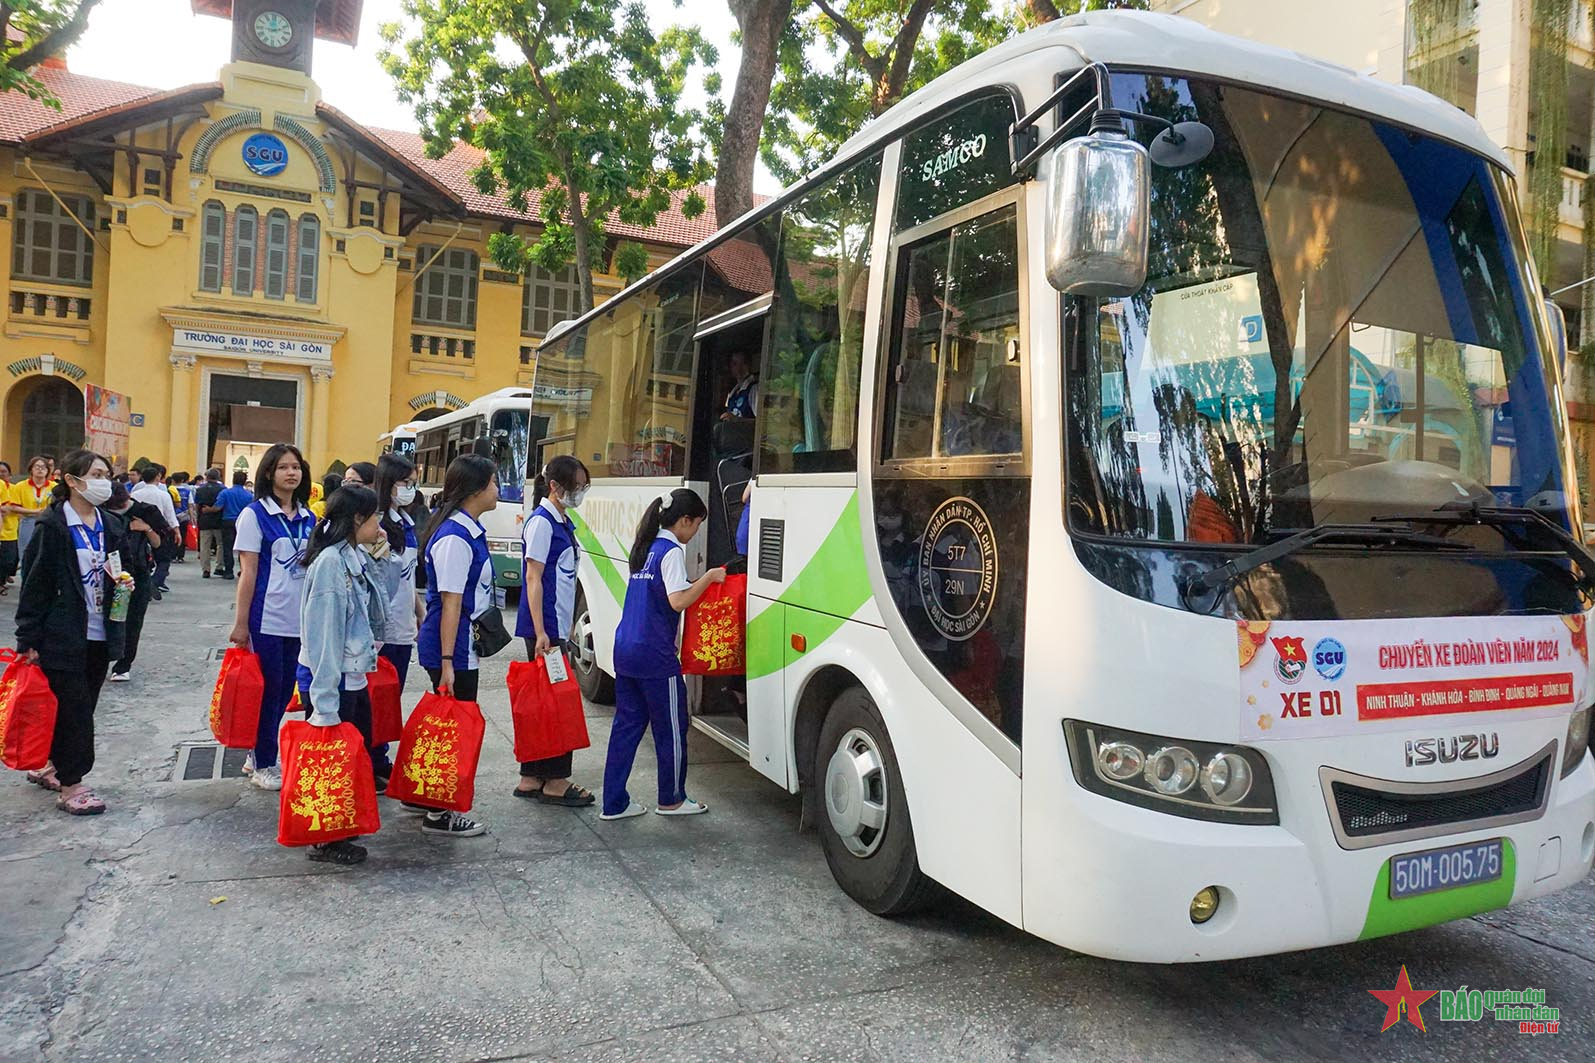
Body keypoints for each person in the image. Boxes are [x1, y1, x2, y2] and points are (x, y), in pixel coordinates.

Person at [13, 449, 134, 815]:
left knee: (82, 705)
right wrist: (28, 637)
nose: (103, 482)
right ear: (71, 480)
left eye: (106, 475)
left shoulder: (109, 524)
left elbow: (122, 567)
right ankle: (72, 784)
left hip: (101, 631)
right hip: (63, 634)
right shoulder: (53, 526)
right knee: (75, 710)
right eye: (96, 475)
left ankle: (52, 764)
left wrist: (126, 583)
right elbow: (36, 584)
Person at [600, 488, 724, 820]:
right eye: (696, 524)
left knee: (626, 728)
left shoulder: (646, 549)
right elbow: (677, 601)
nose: (695, 532)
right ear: (684, 521)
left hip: (626, 649)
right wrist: (709, 577)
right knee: (671, 729)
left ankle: (613, 803)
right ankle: (671, 799)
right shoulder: (670, 552)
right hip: (654, 656)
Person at [297, 484, 391, 865]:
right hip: (333, 679)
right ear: (356, 519)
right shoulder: (331, 564)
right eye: (374, 517)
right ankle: (326, 839)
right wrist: (324, 703)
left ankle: (341, 828)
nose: (379, 524)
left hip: (351, 675)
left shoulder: (353, 556)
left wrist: (381, 560)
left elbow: (379, 606)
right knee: (331, 759)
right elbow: (324, 634)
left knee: (351, 756)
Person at [414, 454, 498, 837]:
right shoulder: (455, 538)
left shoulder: (467, 531)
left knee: (448, 728)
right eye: (494, 483)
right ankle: (440, 812)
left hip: (459, 646)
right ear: (476, 489)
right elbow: (451, 603)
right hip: (452, 647)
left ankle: (429, 797)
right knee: (452, 731)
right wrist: (448, 661)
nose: (497, 490)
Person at [228, 444, 315, 791]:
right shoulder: (255, 515)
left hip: (299, 619)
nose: (291, 473)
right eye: (283, 467)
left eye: (296, 467)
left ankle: (257, 752)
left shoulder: (309, 517)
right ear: (268, 473)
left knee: (283, 693)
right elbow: (247, 572)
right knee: (269, 691)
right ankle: (264, 761)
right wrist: (241, 623)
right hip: (266, 618)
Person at [513, 455, 594, 807]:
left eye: (583, 485)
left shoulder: (561, 520)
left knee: (543, 705)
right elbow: (533, 578)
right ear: (555, 487)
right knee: (557, 706)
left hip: (554, 627)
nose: (581, 491)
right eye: (576, 486)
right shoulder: (542, 523)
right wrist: (542, 631)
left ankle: (532, 777)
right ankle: (556, 780)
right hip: (546, 630)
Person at [369, 452, 424, 788]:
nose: (410, 489)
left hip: (403, 625)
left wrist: (419, 611)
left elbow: (407, 577)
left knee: (391, 698)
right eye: (405, 482)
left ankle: (380, 757)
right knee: (375, 699)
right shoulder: (375, 525)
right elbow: (376, 578)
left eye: (413, 483)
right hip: (380, 630)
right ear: (388, 482)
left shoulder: (406, 522)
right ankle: (371, 759)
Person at [104, 481, 165, 683]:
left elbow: (159, 544)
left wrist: (146, 528)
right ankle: (101, 658)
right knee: (105, 618)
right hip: (106, 574)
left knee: (133, 621)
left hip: (137, 574)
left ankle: (123, 665)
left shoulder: (146, 511)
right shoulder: (100, 512)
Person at [130, 466, 178, 594]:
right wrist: (176, 531)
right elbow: (170, 515)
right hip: (159, 529)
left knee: (141, 557)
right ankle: (155, 582)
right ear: (158, 477)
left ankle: (145, 582)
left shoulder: (135, 494)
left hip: (138, 528)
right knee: (163, 559)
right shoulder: (164, 495)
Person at [11, 456, 54, 560]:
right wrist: (34, 511)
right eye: (37, 466)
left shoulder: (54, 486)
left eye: (43, 467)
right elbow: (13, 507)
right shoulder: (20, 486)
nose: (40, 469)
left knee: (46, 552)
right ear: (31, 469)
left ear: (48, 470)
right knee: (26, 552)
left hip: (47, 522)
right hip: (27, 521)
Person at [216, 470, 253, 579]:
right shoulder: (249, 495)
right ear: (245, 481)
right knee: (243, 547)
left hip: (227, 521)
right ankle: (243, 570)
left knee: (227, 547)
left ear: (233, 479)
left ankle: (228, 571)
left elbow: (218, 506)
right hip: (243, 522)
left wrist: (208, 509)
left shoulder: (225, 493)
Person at [193, 469, 224, 577]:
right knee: (220, 544)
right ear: (218, 477)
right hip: (219, 520)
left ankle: (206, 569)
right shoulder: (223, 489)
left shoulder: (200, 489)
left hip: (204, 520)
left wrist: (198, 517)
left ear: (207, 477)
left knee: (205, 545)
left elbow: (197, 505)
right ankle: (219, 566)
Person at [721, 350, 759, 421]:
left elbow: (760, 422)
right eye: (734, 364)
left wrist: (737, 420)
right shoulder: (732, 393)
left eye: (743, 363)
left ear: (748, 365)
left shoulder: (754, 389)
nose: (738, 368)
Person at [171, 472, 193, 564]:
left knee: (172, 536)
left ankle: (172, 555)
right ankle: (180, 556)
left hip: (172, 515)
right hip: (184, 516)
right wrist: (192, 517)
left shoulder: (170, 490)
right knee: (183, 536)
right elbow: (190, 505)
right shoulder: (187, 491)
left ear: (172, 480)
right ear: (183, 480)